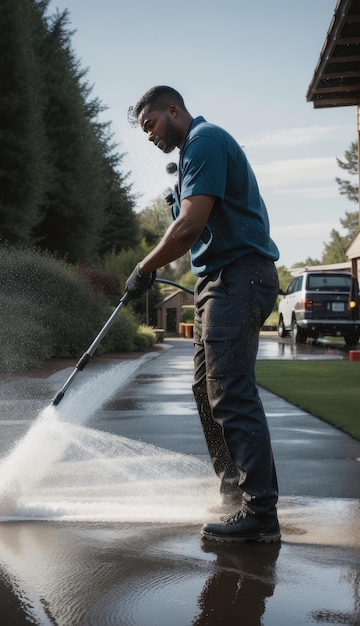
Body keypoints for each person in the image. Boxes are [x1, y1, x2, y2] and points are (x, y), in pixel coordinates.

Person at [124, 86, 281, 543]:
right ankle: (236, 494)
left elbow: (189, 226)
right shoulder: (194, 150)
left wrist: (143, 268)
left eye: (151, 124)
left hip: (239, 278)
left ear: (173, 110)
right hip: (219, 281)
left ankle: (259, 513)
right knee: (205, 389)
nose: (150, 136)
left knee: (231, 390)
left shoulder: (205, 142)